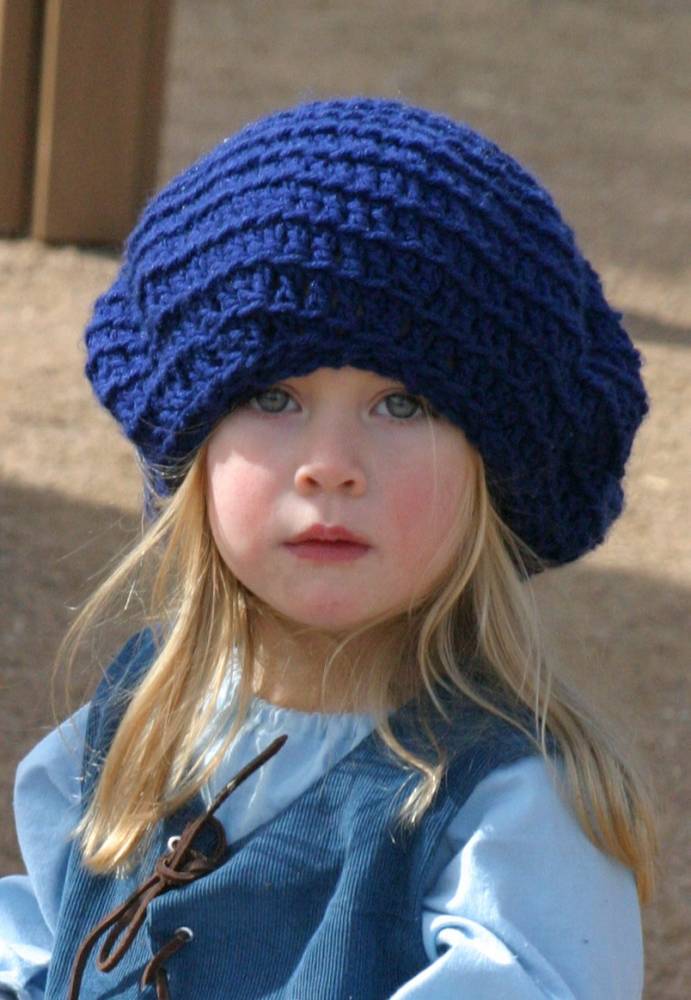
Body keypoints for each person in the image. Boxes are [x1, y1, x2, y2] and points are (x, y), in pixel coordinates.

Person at [0, 96, 657, 1000]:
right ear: (189, 447)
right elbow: (49, 937)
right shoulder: (149, 703)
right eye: (273, 397)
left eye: (404, 405)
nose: (330, 469)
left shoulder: (509, 816)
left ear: (494, 467)